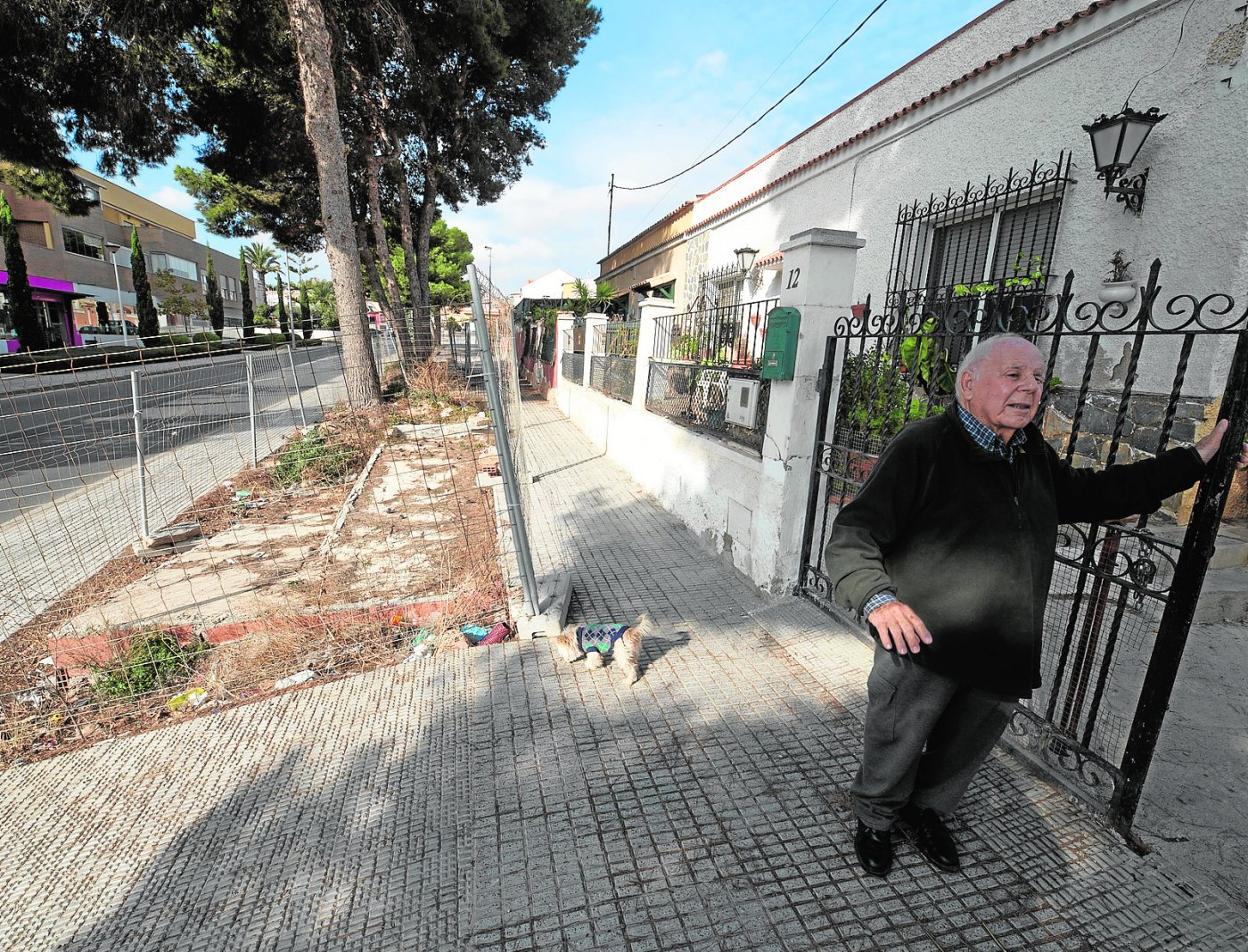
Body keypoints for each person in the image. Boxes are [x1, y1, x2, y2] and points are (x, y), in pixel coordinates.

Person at [824, 334, 1248, 878]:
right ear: (969, 384)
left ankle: (927, 813)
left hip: (1003, 639)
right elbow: (854, 532)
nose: (1030, 388)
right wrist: (877, 600)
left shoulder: (1029, 453)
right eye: (1014, 374)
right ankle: (876, 818)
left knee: (965, 746)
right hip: (925, 638)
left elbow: (1098, 494)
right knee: (896, 738)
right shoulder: (924, 445)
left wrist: (1195, 458)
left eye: (1037, 378)